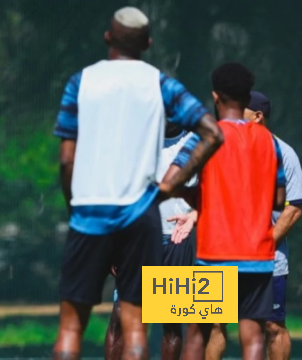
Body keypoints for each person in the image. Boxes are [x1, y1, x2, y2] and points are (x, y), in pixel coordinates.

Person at [52, 6, 223, 360]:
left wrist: (76, 208)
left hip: (89, 212)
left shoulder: (80, 82)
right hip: (140, 214)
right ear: (147, 42)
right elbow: (212, 132)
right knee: (135, 324)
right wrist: (168, 188)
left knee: (71, 326)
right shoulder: (159, 83)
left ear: (108, 37)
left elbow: (67, 160)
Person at [164, 63, 286, 360]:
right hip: (258, 255)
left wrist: (197, 196)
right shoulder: (270, 142)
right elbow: (278, 201)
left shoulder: (204, 137)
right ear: (246, 98)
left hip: (214, 253)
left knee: (197, 332)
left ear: (215, 97)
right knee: (253, 335)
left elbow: (170, 183)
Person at [204, 91, 302, 360]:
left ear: (257, 116)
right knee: (214, 323)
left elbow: (294, 207)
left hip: (268, 261)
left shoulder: (284, 153)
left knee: (272, 327)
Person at [104, 120, 197, 360]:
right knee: (120, 317)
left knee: (171, 322)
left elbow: (214, 192)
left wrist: (194, 215)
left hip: (178, 240)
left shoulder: (197, 143)